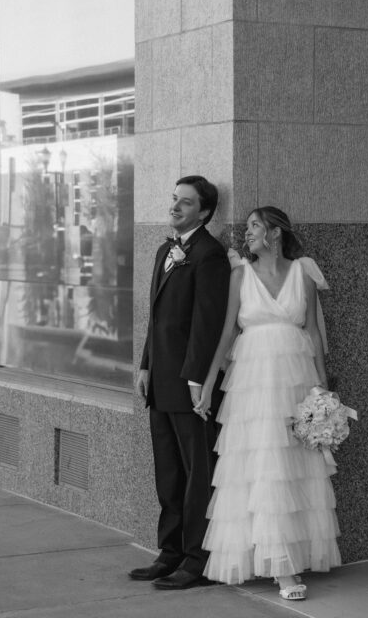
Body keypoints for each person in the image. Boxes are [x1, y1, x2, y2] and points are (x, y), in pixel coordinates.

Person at [194, 206, 341, 601]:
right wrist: (209, 384)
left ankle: (290, 556)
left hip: (296, 378)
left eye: (255, 227)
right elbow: (227, 332)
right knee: (262, 466)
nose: (247, 234)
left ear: (275, 233)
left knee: (293, 466)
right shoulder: (240, 275)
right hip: (254, 383)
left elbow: (312, 335)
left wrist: (323, 394)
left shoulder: (303, 274)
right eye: (248, 228)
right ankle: (282, 571)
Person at [129, 176, 231, 590]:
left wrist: (195, 380)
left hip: (189, 386)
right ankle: (169, 552)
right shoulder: (164, 250)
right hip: (160, 383)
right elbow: (158, 320)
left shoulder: (210, 256)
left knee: (196, 474)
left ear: (204, 212)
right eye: (174, 199)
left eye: (185, 203)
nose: (175, 207)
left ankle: (197, 560)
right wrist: (145, 365)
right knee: (168, 473)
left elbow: (206, 326)